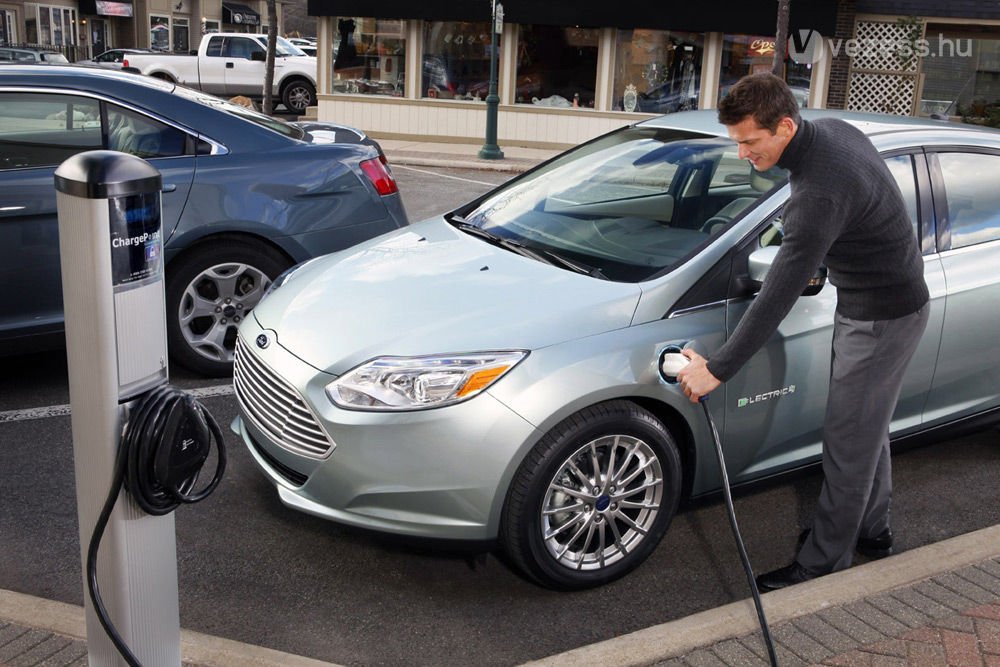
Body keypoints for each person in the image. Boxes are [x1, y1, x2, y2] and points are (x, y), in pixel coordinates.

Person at [676, 72, 930, 591]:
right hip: (886, 302)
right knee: (865, 428)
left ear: (785, 126)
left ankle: (822, 564)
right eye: (737, 141)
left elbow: (777, 294)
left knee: (846, 439)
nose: (742, 152)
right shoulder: (835, 131)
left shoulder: (817, 193)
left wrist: (717, 370)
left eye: (750, 141)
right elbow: (866, 210)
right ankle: (872, 531)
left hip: (881, 316)